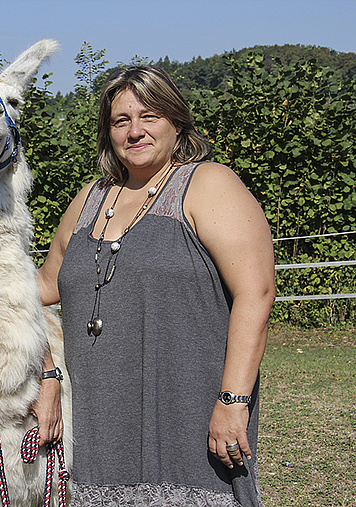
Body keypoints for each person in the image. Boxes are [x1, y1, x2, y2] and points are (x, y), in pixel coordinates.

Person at [37, 66, 275, 506]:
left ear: (176, 121)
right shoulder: (90, 199)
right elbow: (44, 287)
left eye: (149, 116)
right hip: (96, 423)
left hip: (187, 412)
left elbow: (256, 293)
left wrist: (233, 399)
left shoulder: (207, 184)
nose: (135, 131)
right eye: (121, 121)